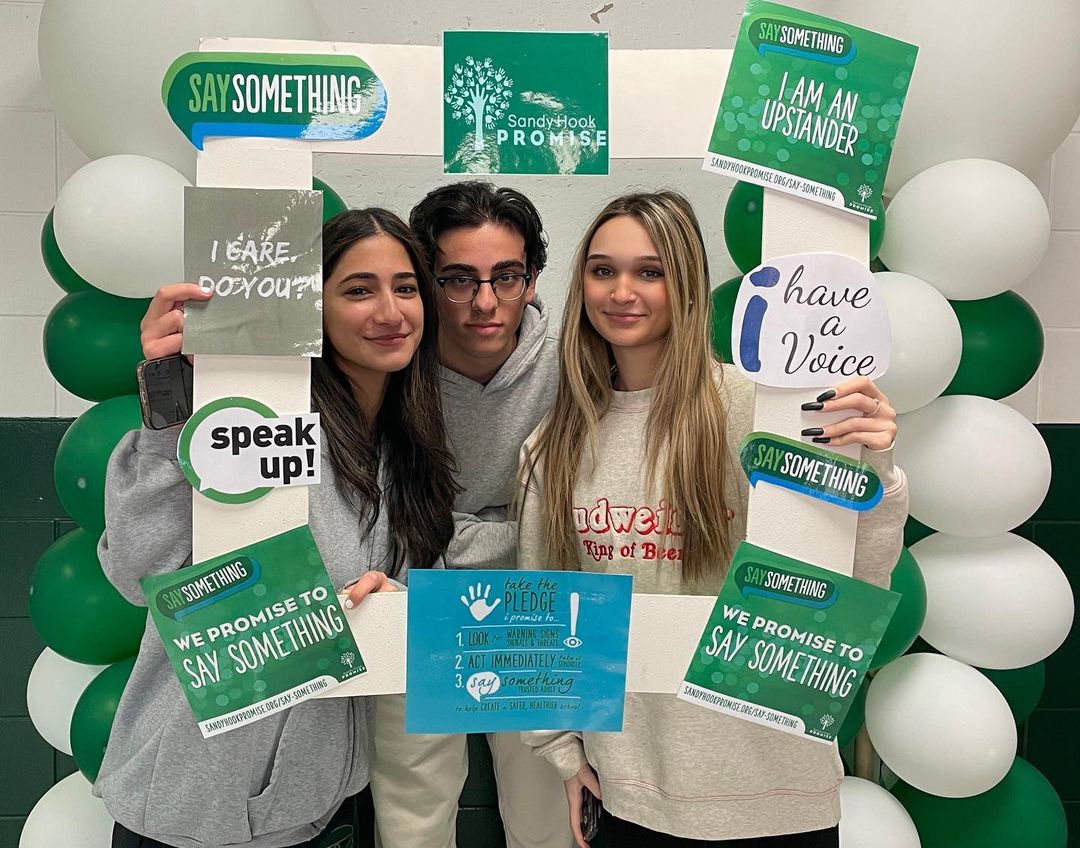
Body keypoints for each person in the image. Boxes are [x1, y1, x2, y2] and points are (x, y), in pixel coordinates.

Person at [517, 191, 908, 847]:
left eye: (650, 271)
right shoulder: (552, 446)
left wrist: (875, 473)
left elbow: (857, 576)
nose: (622, 291)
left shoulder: (765, 411)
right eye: (603, 269)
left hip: (781, 792)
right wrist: (566, 755)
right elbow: (546, 612)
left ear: (687, 282)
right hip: (633, 795)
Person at [94, 208, 459, 848]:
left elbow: (398, 599)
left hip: (321, 808)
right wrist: (168, 409)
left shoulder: (407, 452)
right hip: (193, 808)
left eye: (405, 287)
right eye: (357, 290)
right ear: (310, 307)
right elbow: (139, 573)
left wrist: (394, 605)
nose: (389, 311)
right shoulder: (255, 425)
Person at [369, 182, 572, 848]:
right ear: (426, 282)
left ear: (532, 278)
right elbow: (380, 515)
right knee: (413, 811)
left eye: (505, 277)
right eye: (457, 280)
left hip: (538, 603)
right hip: (412, 602)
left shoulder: (577, 365)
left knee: (549, 808)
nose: (484, 302)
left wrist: (451, 540)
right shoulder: (392, 362)